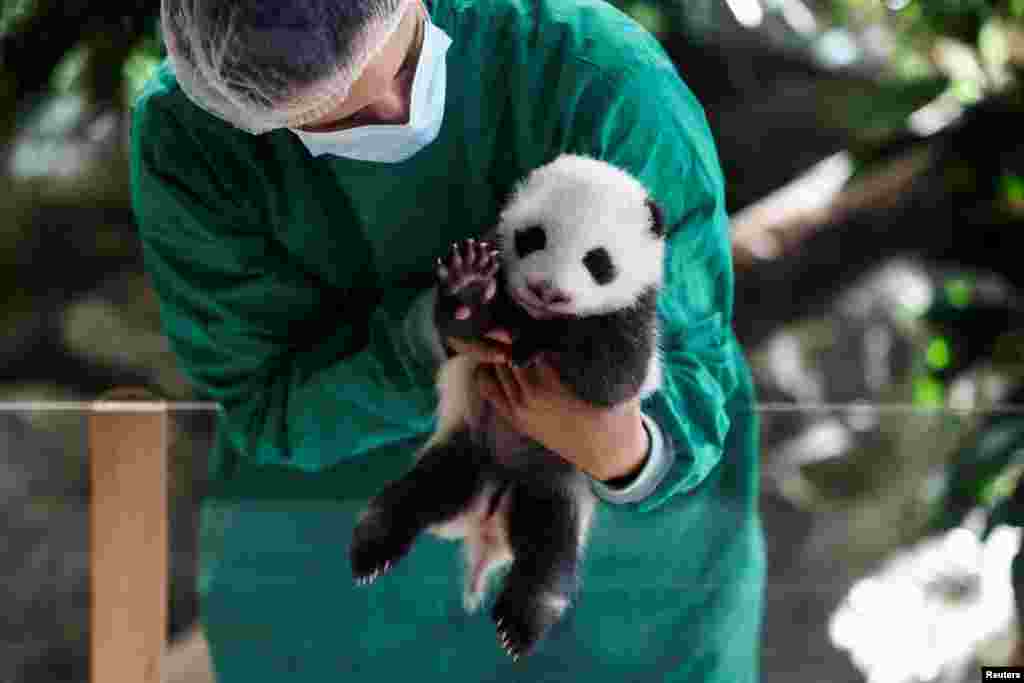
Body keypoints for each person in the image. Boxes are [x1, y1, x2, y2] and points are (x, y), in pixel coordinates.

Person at [129, 0, 765, 680]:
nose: (393, 111)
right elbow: (266, 399)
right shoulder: (193, 138)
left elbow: (691, 358)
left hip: (633, 584)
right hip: (342, 571)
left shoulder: (599, 80)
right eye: (332, 116)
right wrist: (424, 343)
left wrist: (627, 450)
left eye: (400, 63)